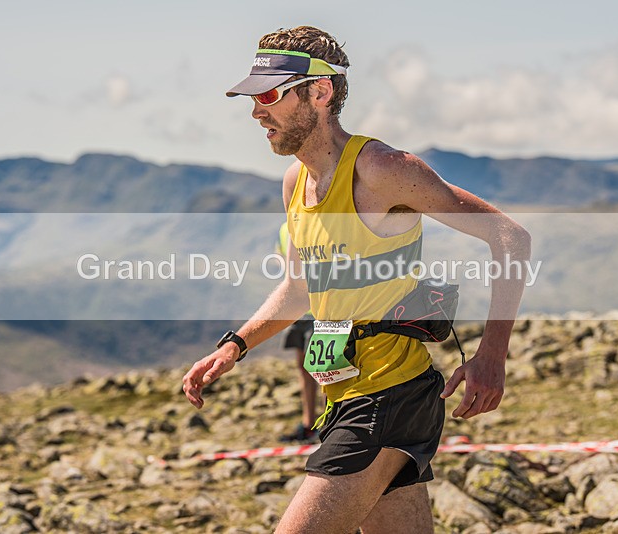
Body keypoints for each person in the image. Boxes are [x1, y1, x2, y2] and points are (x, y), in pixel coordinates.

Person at [183, 26, 531, 533]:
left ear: (319, 92)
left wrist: (492, 355)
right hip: (346, 397)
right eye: (252, 98)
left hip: (389, 395)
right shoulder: (296, 182)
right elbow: (300, 290)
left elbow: (509, 237)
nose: (256, 112)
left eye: (269, 96)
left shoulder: (383, 169)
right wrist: (235, 346)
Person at [275, 222, 318, 443]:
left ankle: (331, 424)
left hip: (321, 309)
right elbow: (281, 256)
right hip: (300, 311)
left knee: (325, 368)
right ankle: (309, 424)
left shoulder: (320, 221)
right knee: (303, 367)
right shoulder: (285, 228)